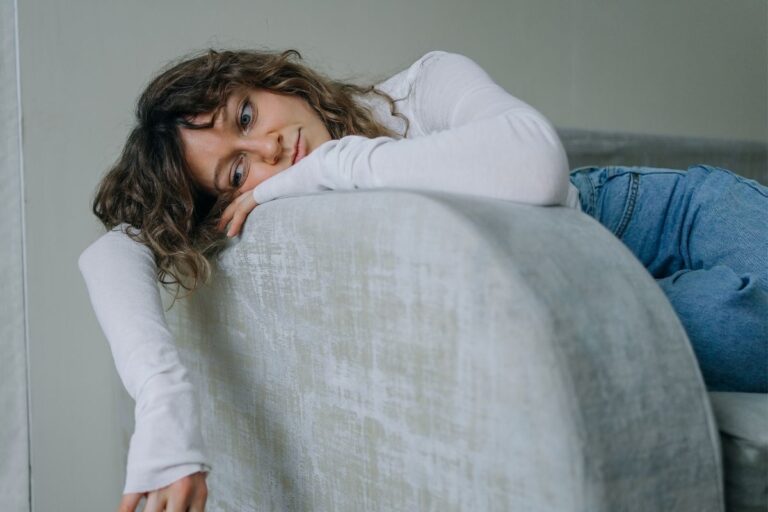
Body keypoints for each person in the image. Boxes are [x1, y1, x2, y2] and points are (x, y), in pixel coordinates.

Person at [78, 48, 767, 512]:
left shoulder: (423, 88)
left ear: (266, 84)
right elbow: (113, 251)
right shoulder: (250, 220)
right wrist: (165, 412)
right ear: (226, 204)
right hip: (589, 296)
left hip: (652, 214)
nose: (268, 150)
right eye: (236, 172)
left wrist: (329, 167)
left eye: (246, 117)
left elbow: (535, 165)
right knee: (738, 318)